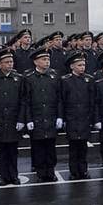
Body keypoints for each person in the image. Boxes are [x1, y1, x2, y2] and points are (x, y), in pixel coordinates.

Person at [0, 47, 26, 185]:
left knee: (13, 150)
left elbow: (23, 100)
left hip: (14, 120)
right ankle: (4, 176)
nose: (10, 64)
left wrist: (21, 119)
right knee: (1, 150)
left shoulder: (18, 78)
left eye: (11, 61)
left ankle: (13, 175)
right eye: (7, 62)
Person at [24, 46, 61, 182]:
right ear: (35, 62)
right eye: (44, 59)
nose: (47, 62)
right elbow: (26, 100)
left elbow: (59, 98)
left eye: (48, 59)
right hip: (36, 117)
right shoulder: (28, 77)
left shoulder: (54, 76)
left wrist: (60, 116)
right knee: (38, 147)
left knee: (50, 146)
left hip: (50, 116)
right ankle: (40, 172)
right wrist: (28, 119)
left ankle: (50, 171)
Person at [60, 51, 96, 179]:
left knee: (83, 146)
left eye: (83, 65)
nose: (82, 67)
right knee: (74, 147)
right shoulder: (65, 81)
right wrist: (62, 118)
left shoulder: (89, 80)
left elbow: (93, 100)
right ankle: (74, 170)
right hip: (72, 118)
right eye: (79, 65)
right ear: (72, 66)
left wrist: (92, 117)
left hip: (85, 118)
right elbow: (62, 100)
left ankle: (83, 169)